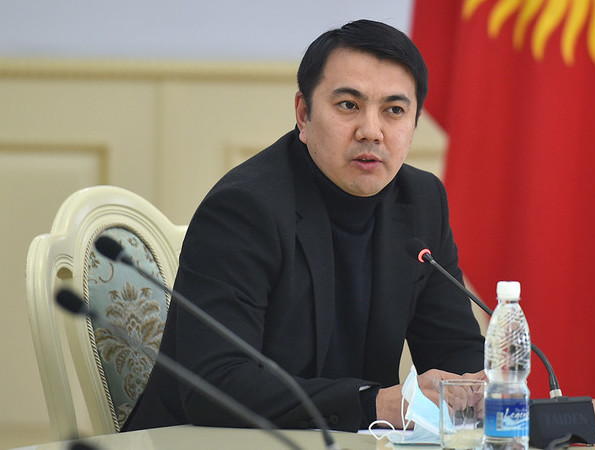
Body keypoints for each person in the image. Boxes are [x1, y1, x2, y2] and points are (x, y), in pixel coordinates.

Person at [123, 19, 485, 433]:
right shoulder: (244, 209)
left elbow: (456, 353)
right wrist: (375, 404)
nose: (371, 131)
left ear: (414, 122)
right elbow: (216, 385)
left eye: (394, 111)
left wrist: (476, 391)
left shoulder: (421, 201)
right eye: (348, 105)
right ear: (303, 114)